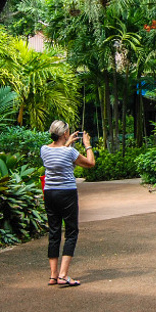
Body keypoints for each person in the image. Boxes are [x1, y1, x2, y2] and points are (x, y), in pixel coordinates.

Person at [41, 120, 96, 286]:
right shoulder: (70, 153)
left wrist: (68, 142)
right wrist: (87, 145)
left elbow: (58, 154)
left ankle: (53, 275)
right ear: (64, 134)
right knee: (71, 231)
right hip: (67, 193)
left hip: (49, 193)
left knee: (54, 231)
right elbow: (90, 163)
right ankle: (64, 274)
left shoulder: (44, 150)